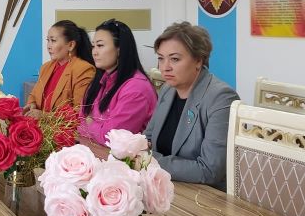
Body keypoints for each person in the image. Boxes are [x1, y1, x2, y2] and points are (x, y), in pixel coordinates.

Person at [145, 21, 239, 190]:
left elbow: (210, 170)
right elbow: (148, 138)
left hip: (204, 194)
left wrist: (149, 160)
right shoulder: (167, 90)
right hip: (166, 185)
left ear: (198, 61)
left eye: (174, 59)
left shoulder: (221, 98)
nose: (165, 67)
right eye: (160, 58)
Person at [78, 19, 157, 145]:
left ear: (119, 49)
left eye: (100, 45)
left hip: (122, 156)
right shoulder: (100, 81)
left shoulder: (136, 88)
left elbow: (113, 139)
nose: (94, 52)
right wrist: (99, 128)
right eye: (93, 46)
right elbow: (79, 123)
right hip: (94, 150)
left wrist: (91, 123)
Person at [24, 20, 95, 117]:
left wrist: (45, 116)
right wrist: (32, 104)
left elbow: (80, 112)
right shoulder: (46, 67)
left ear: (71, 45)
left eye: (53, 40)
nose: (48, 46)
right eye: (48, 40)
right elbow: (34, 95)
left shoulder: (83, 69)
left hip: (62, 127)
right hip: (39, 125)